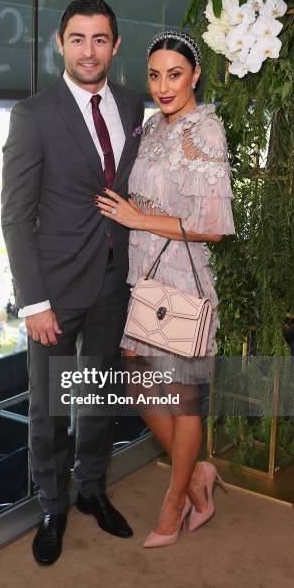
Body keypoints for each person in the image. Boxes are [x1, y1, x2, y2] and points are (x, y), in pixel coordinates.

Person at [1, 0, 144, 566]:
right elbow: (15, 215)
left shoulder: (134, 106)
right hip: (54, 291)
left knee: (99, 396)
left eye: (100, 39)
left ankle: (91, 489)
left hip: (115, 281)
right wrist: (32, 301)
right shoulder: (32, 115)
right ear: (60, 43)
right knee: (51, 408)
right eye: (78, 39)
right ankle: (52, 505)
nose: (89, 50)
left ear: (115, 45)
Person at [95, 30, 235, 548]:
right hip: (145, 280)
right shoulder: (153, 128)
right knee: (139, 387)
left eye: (174, 74)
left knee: (182, 403)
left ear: (195, 75)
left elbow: (214, 226)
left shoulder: (207, 132)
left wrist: (139, 219)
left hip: (182, 282)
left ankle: (175, 503)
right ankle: (198, 478)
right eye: (155, 75)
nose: (163, 85)